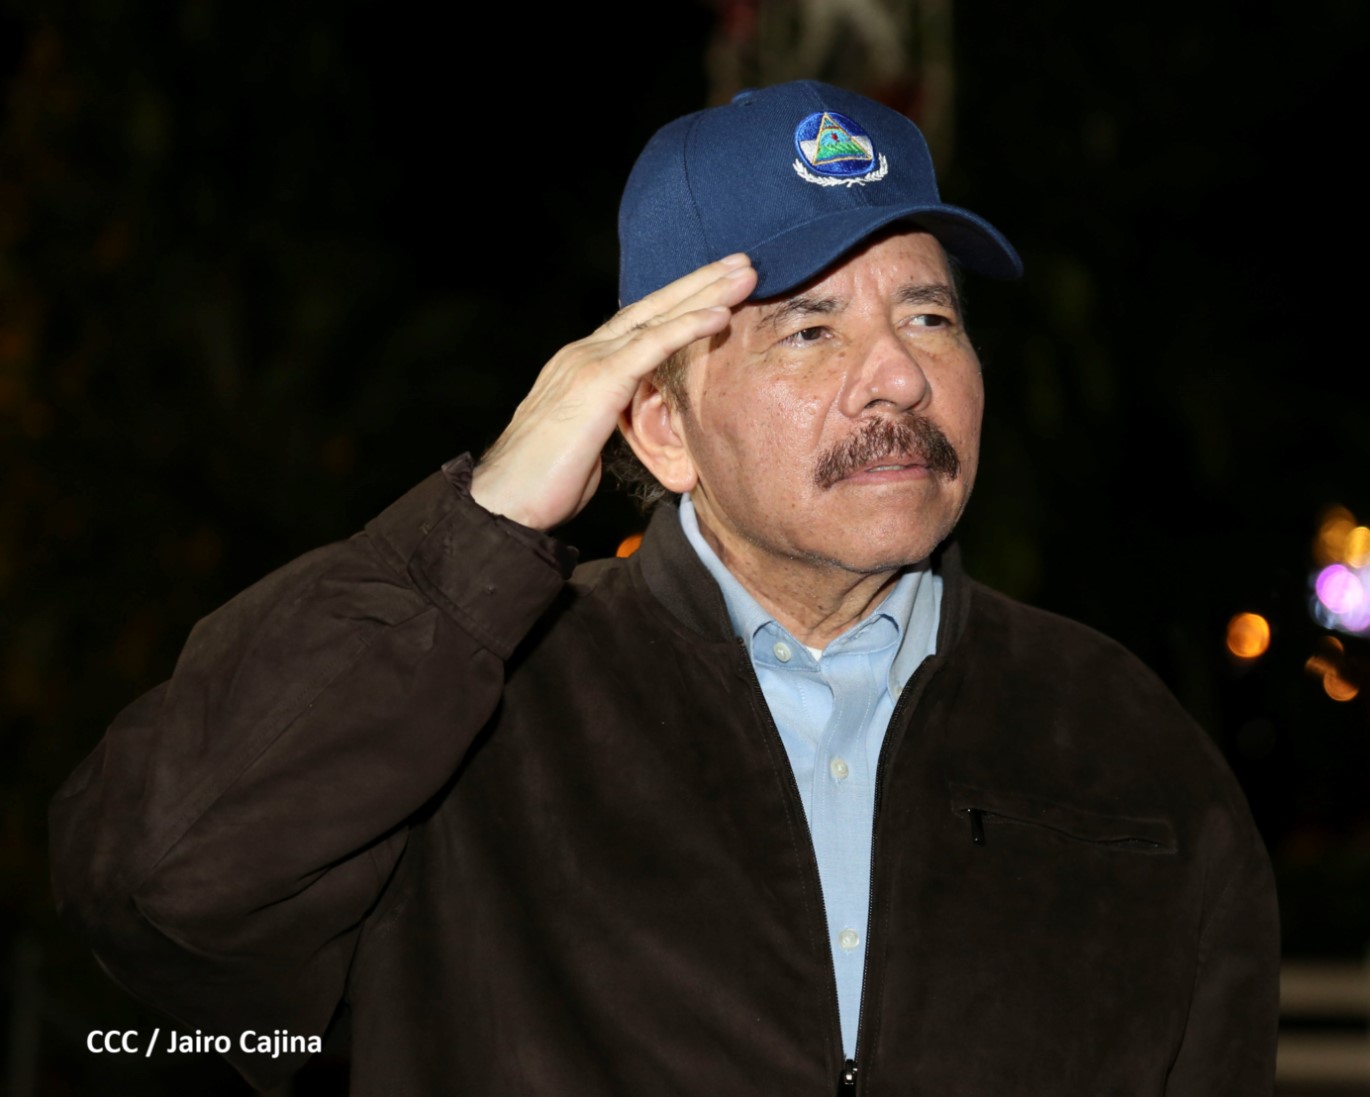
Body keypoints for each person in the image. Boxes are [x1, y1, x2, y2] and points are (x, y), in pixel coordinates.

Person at [51, 81, 1278, 1095]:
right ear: (659, 425)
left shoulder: (1110, 731)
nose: (898, 377)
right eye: (809, 329)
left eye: (928, 316)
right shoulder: (476, 707)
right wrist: (481, 529)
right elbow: (160, 885)